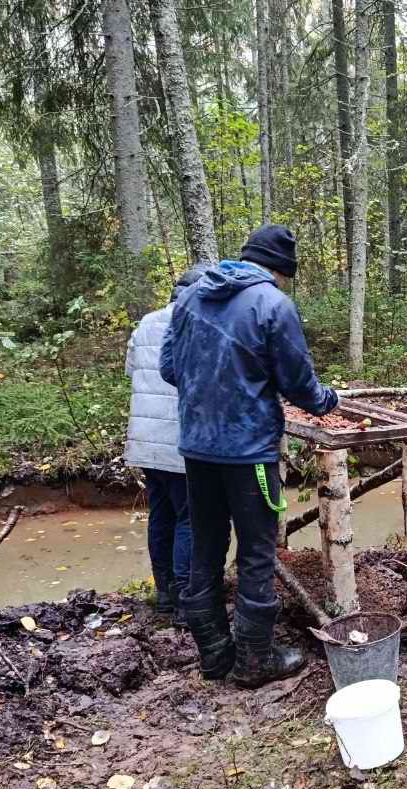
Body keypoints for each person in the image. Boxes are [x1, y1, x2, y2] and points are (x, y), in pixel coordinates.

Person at [160, 225, 338, 689]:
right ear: (281, 270)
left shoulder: (190, 297)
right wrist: (327, 400)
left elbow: (168, 369)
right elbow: (299, 383)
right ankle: (255, 661)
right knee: (257, 551)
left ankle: (215, 654)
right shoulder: (273, 303)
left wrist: (212, 392)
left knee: (206, 545)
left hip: (197, 449)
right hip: (249, 452)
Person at [124, 266, 204, 626]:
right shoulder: (196, 323)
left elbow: (133, 371)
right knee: (191, 518)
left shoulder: (146, 322)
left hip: (145, 441)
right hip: (179, 440)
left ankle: (165, 594)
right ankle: (189, 603)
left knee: (161, 515)